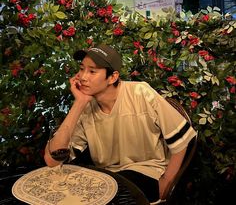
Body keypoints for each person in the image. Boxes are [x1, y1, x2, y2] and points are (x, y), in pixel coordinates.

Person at [44, 44, 197, 204]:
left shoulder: (140, 93)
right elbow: (52, 160)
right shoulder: (86, 108)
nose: (82, 77)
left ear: (112, 77)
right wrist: (79, 103)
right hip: (106, 179)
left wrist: (167, 181)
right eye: (82, 69)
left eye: (92, 71)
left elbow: (182, 139)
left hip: (147, 172)